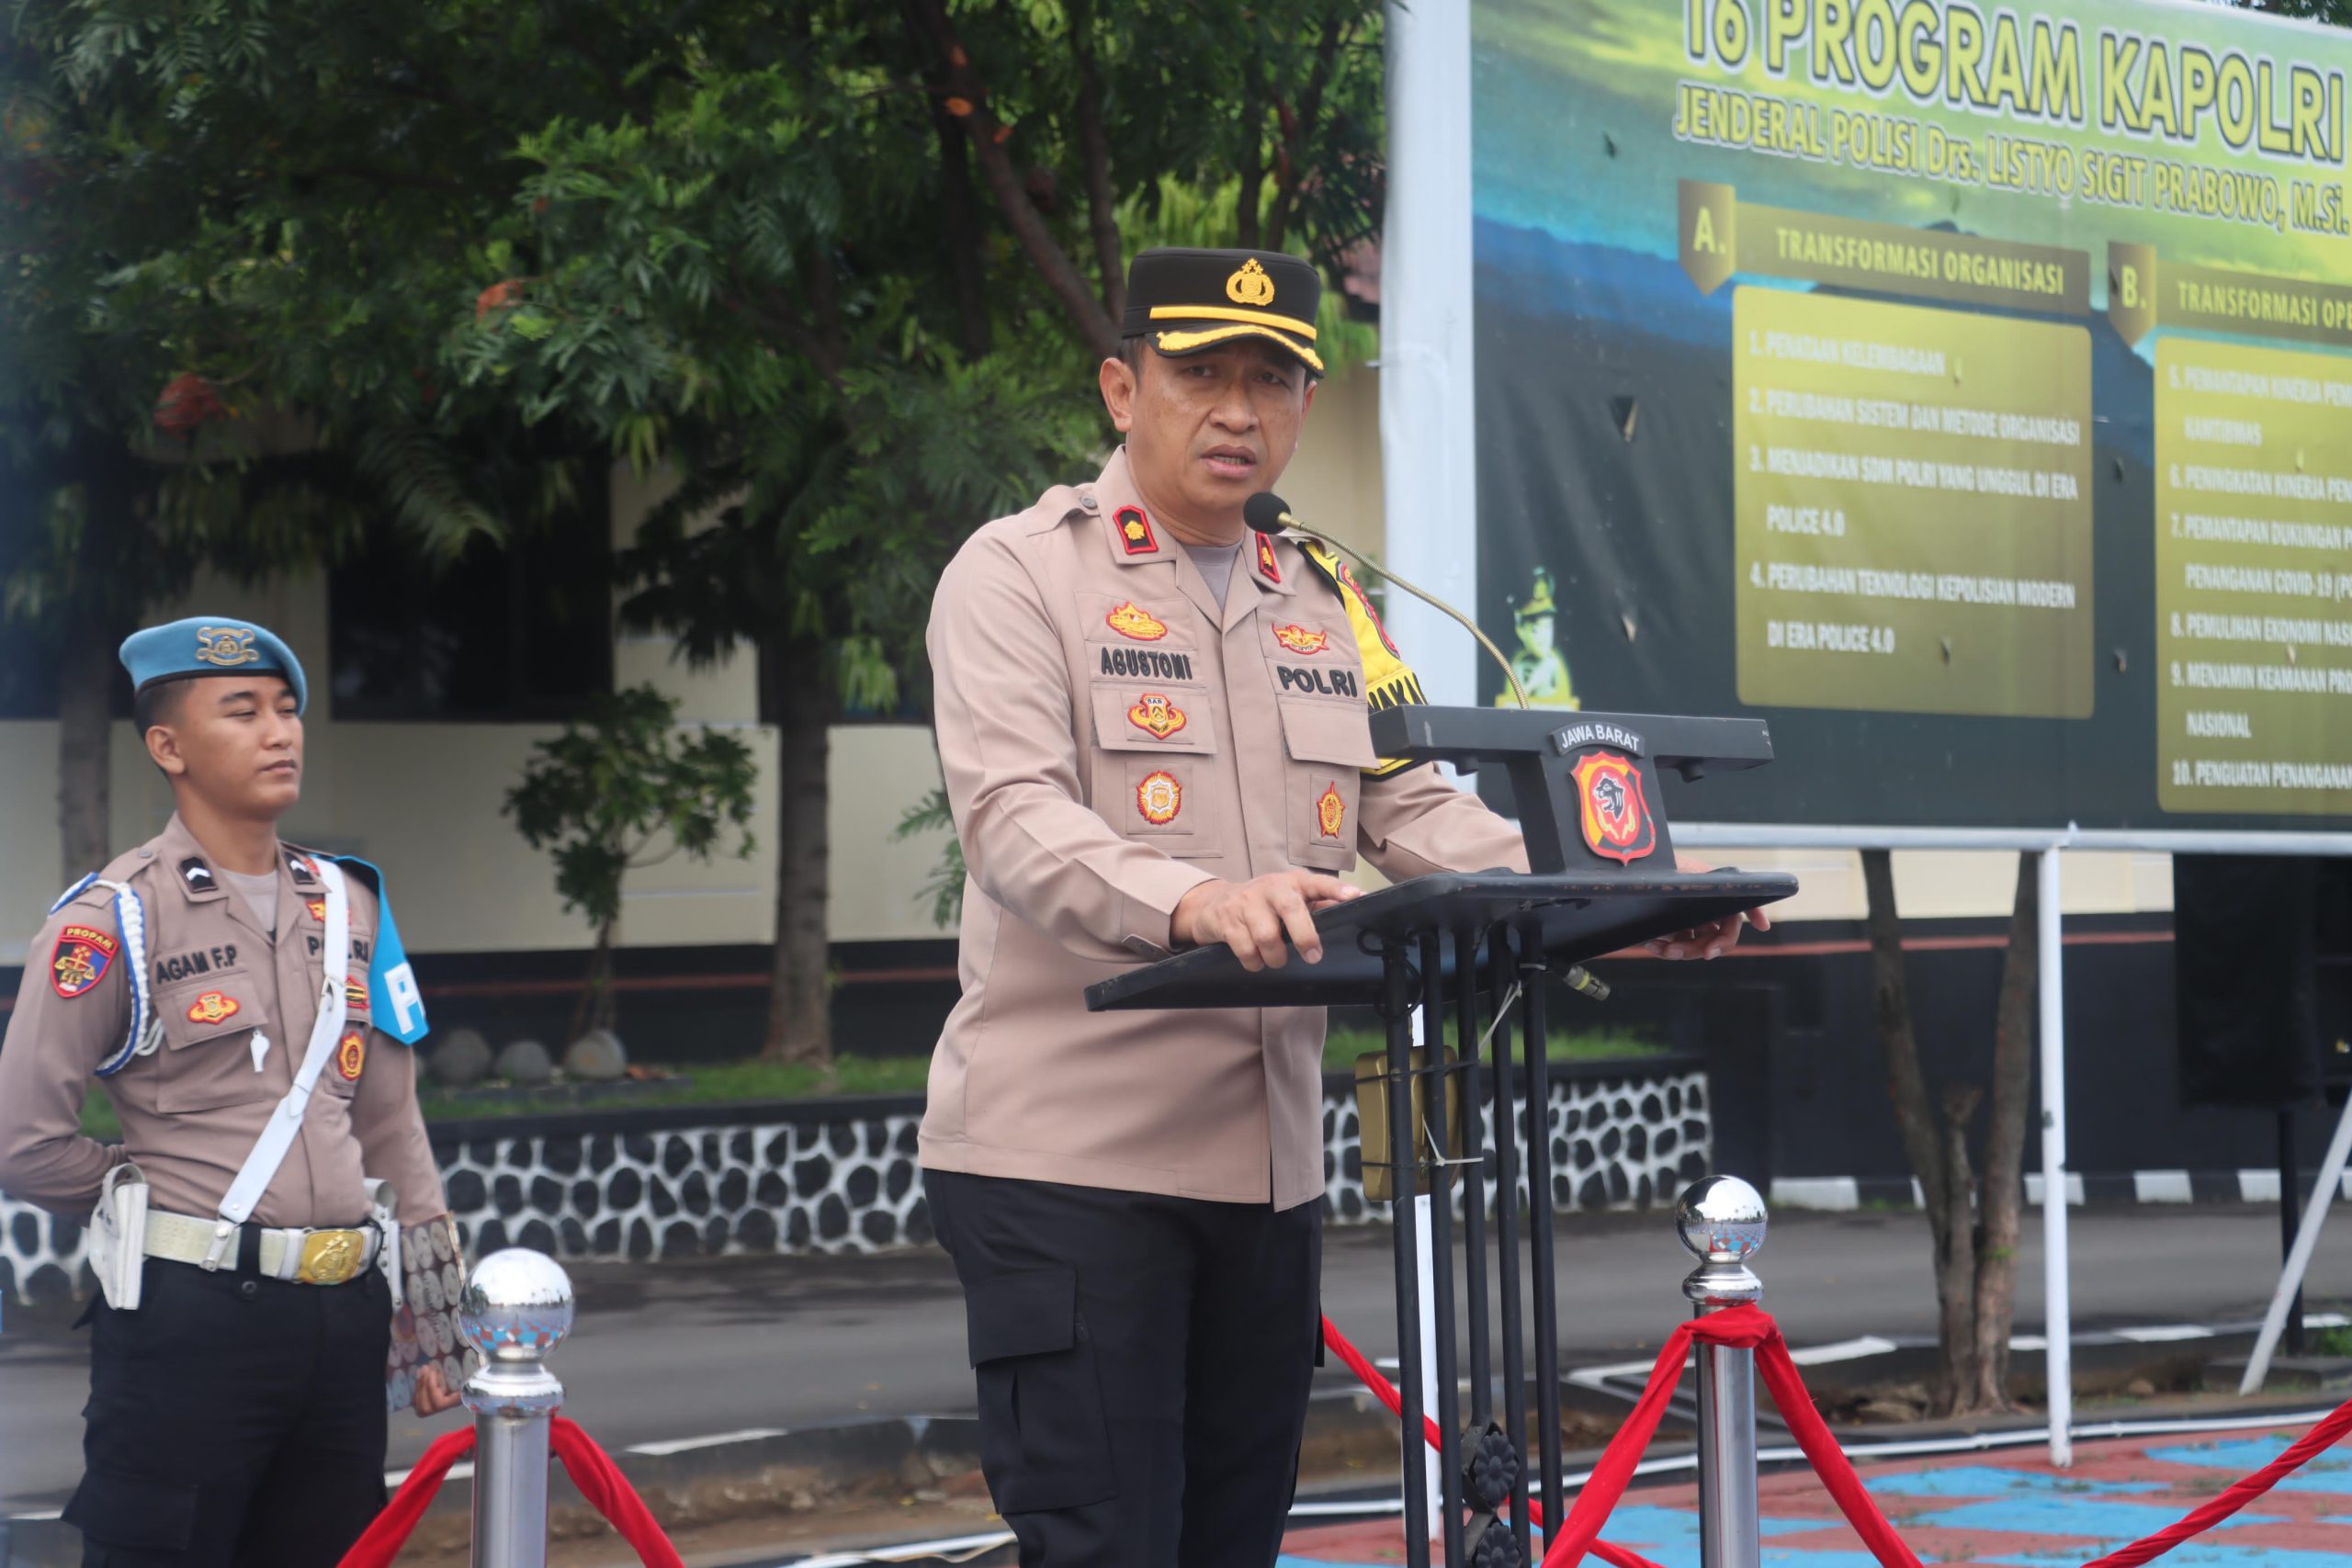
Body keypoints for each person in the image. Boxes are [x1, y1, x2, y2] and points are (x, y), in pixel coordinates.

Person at [920, 247, 1763, 1567]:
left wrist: (1628, 898)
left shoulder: (1322, 600)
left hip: (1265, 1180)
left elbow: (1414, 812)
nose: (1238, 410)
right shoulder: (1020, 574)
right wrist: (1199, 898)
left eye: (1271, 380)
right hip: (1067, 1166)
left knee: (1230, 1543)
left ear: (1305, 405)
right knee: (1104, 1544)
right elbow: (1015, 819)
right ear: (1122, 389)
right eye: (1201, 374)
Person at [0, 617, 465, 1568]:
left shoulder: (351, 905)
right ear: (168, 746)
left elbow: (390, 1121)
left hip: (344, 1318)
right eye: (243, 712)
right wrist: (152, 1196)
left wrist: (435, 1310)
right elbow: (21, 1139)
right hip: (191, 1321)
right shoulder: (117, 918)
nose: (279, 733)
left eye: (287, 711)